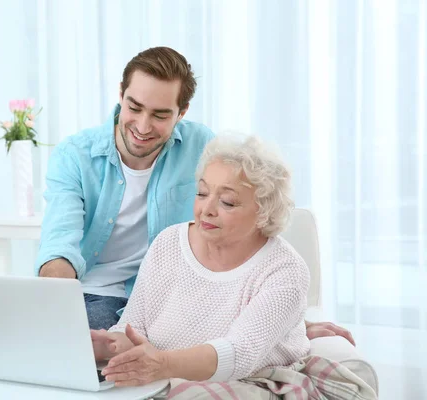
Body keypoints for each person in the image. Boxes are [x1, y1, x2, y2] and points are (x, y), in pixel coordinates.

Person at [34, 46, 354, 345]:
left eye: (160, 115)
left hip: (176, 298)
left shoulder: (202, 146)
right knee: (64, 348)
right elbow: (59, 245)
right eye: (134, 108)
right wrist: (61, 313)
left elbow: (246, 229)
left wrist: (288, 324)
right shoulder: (75, 155)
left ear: (181, 112)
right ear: (121, 94)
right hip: (97, 295)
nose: (143, 126)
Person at [93, 135, 310, 386]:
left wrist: (162, 365)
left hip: (249, 382)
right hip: (164, 376)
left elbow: (240, 353)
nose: (207, 209)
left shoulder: (284, 270)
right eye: (202, 193)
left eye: (227, 202)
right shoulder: (169, 243)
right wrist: (111, 345)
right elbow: (135, 326)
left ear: (265, 211)